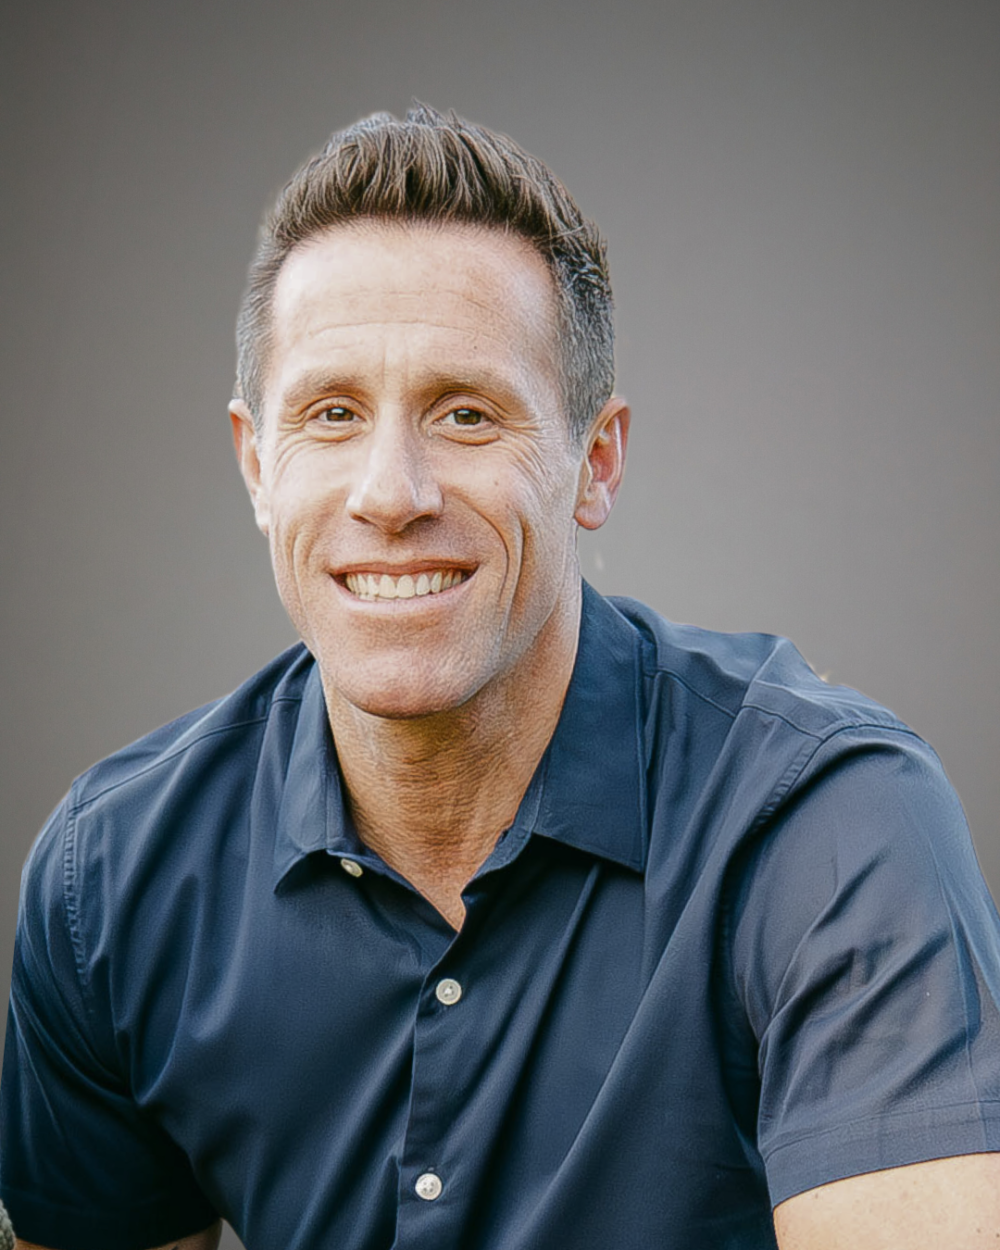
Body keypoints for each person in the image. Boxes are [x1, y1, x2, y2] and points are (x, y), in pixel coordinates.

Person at [1, 104, 999, 1250]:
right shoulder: (112, 876)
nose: (392, 491)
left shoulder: (827, 830)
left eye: (465, 412)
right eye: (332, 414)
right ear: (256, 464)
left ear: (595, 461)